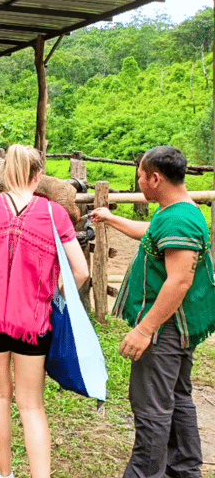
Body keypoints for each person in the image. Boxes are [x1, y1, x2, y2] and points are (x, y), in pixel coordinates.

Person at [0, 144, 89, 478]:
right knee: (31, 405)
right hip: (34, 322)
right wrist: (54, 296)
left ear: (6, 172)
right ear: (37, 176)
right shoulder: (54, 213)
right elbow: (81, 271)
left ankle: (5, 475)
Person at [91, 146, 215, 478]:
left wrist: (144, 329)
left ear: (155, 178)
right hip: (176, 326)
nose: (139, 183)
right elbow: (151, 235)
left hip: (165, 328)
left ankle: (145, 474)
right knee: (177, 396)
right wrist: (111, 217)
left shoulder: (180, 219)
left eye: (140, 178)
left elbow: (179, 280)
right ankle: (185, 469)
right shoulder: (175, 210)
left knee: (152, 408)